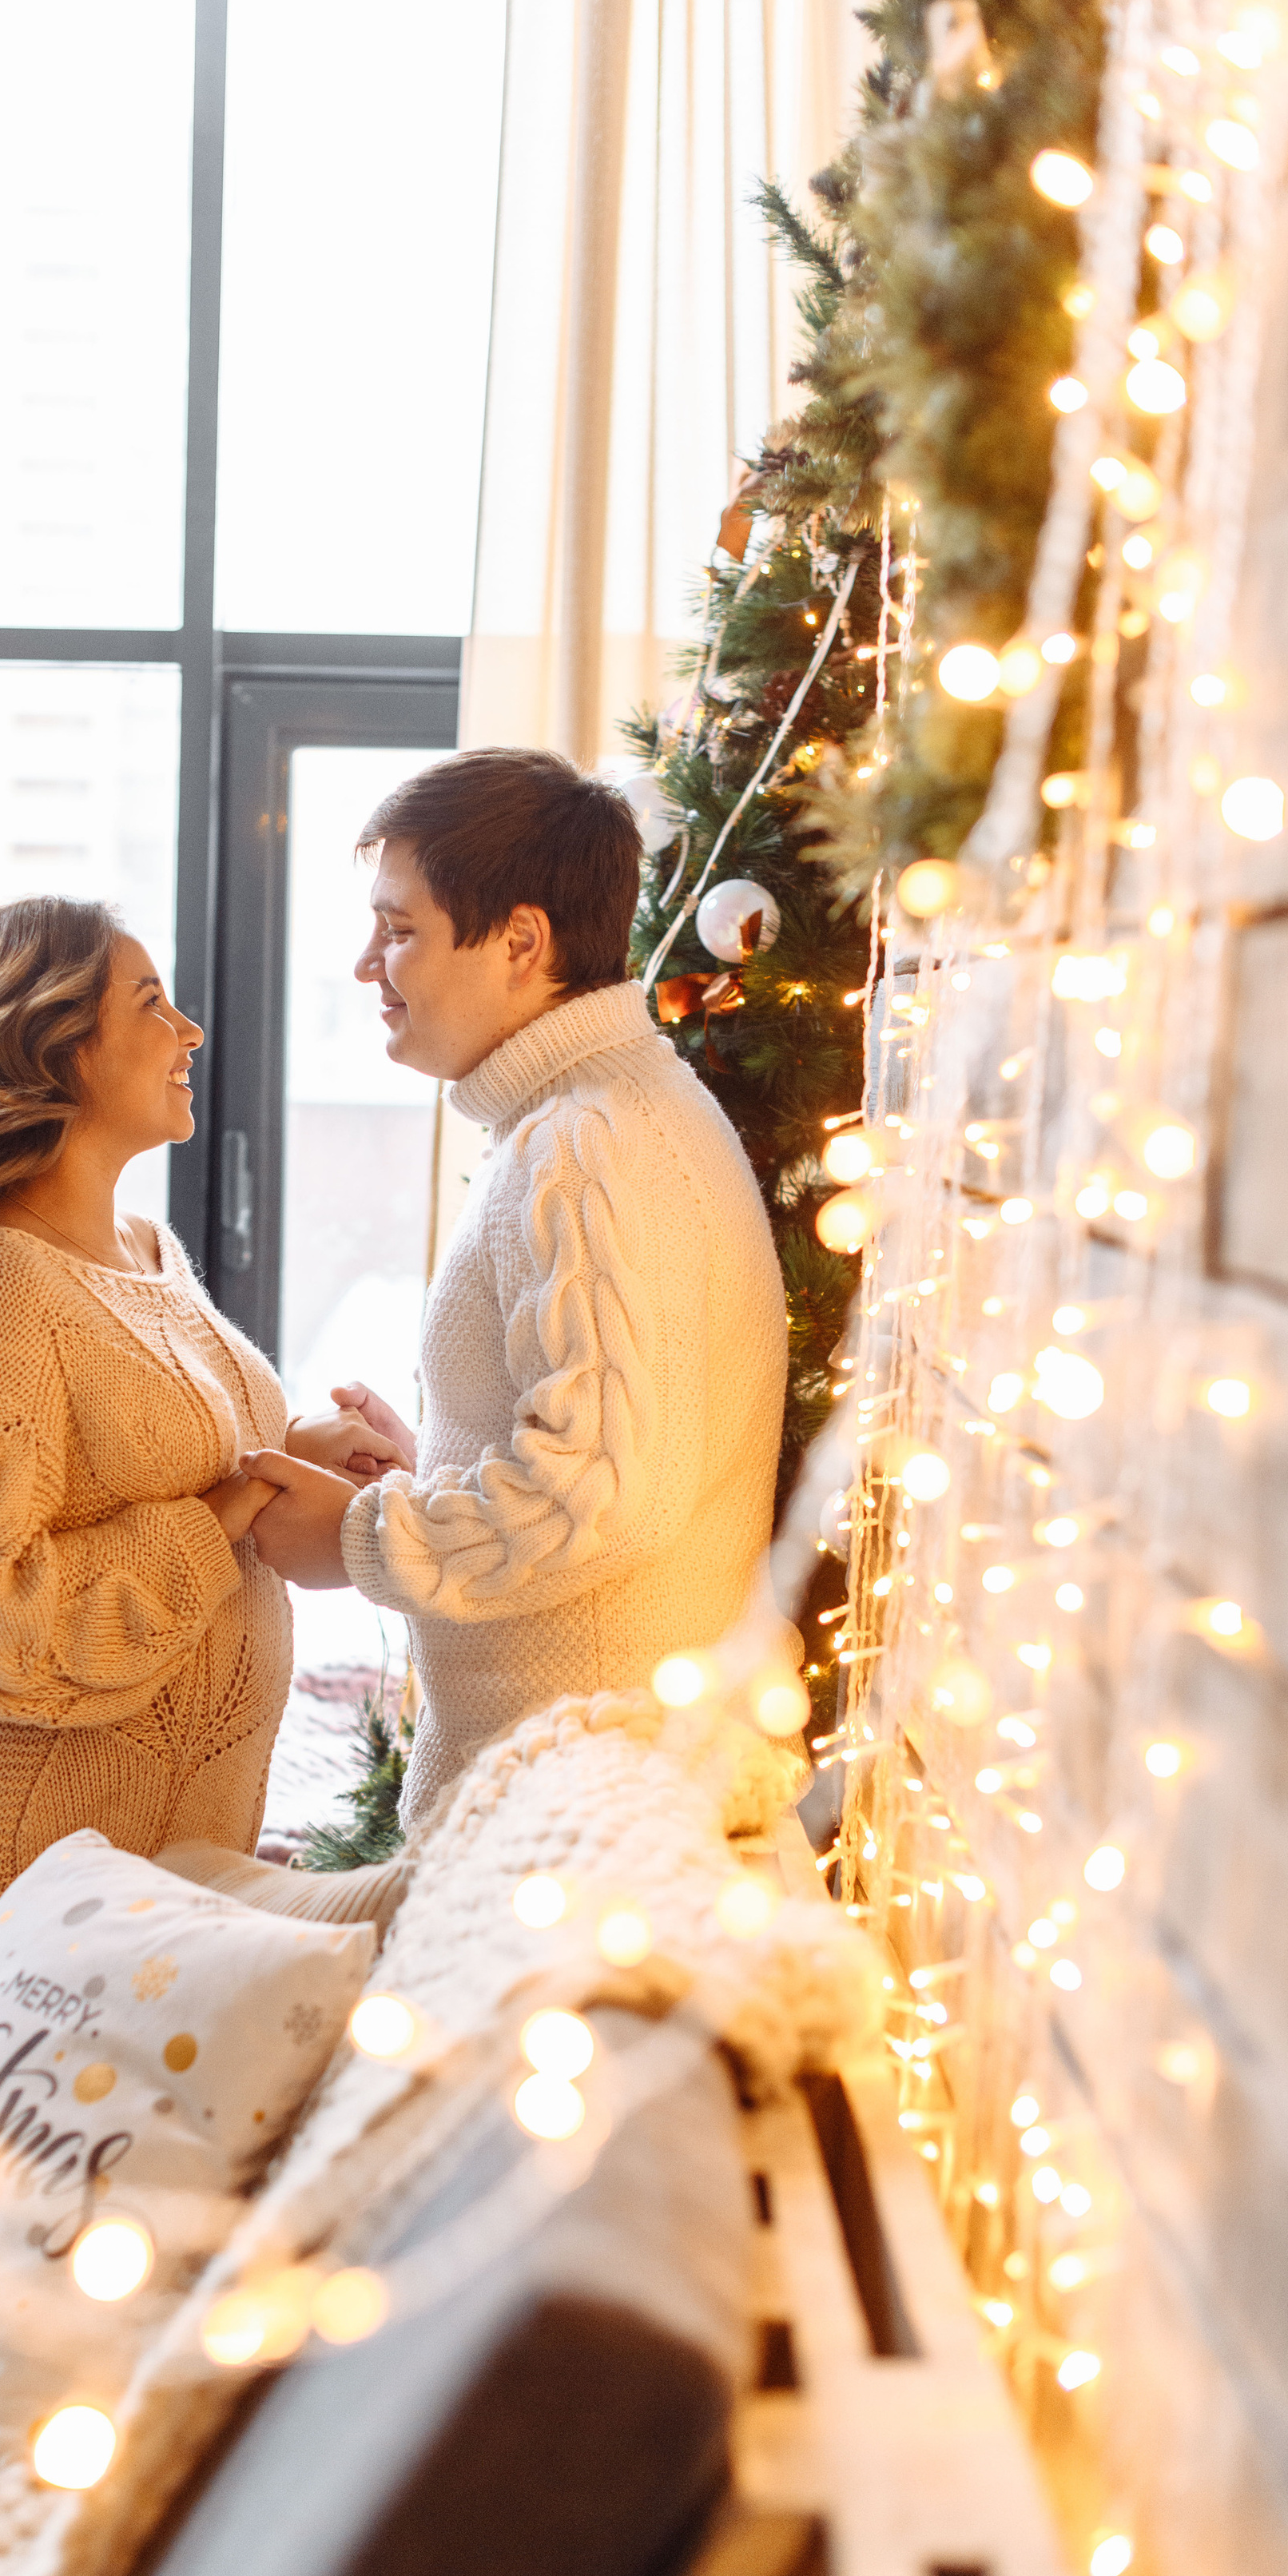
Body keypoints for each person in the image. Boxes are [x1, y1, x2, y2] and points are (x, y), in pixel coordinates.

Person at [0, 896, 399, 1927]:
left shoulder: (149, 1251)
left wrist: (284, 1453)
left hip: (132, 1868)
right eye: (152, 1003)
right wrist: (228, 1509)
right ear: (55, 1049)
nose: (190, 1030)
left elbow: (158, 1459)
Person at [243, 748, 788, 1837]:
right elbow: (606, 1445)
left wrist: (362, 1537)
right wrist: (432, 1469)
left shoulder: (589, 1146)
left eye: (400, 930)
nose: (367, 965)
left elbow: (597, 1488)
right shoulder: (598, 1118)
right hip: (580, 1794)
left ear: (522, 942)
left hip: (577, 1820)